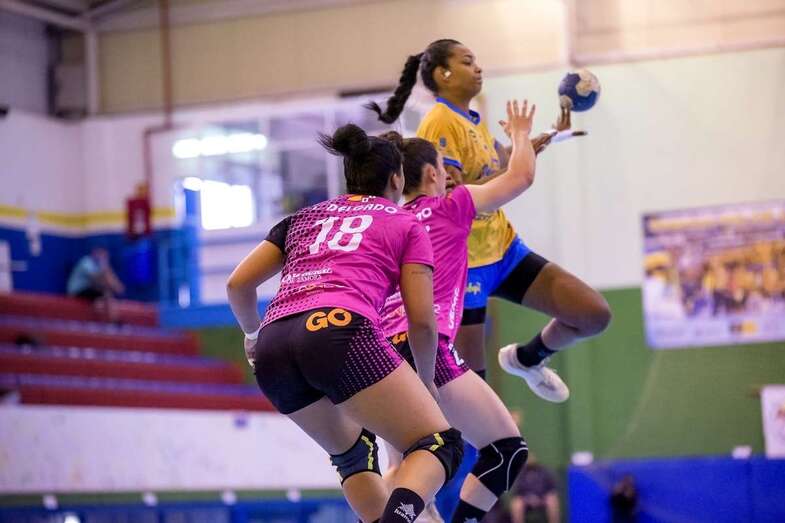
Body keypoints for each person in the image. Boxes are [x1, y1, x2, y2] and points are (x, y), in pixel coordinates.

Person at [227, 124, 464, 523]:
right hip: (339, 330)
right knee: (440, 444)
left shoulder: (302, 218)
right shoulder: (404, 222)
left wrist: (253, 334)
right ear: (397, 179)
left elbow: (238, 285)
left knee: (353, 455)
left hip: (273, 346)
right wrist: (426, 381)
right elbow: (423, 321)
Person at [368, 38, 611, 402]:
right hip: (465, 266)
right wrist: (519, 145)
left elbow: (502, 163)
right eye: (467, 61)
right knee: (472, 388)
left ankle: (527, 359)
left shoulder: (473, 119)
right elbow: (453, 197)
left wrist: (543, 137)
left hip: (503, 248)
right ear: (443, 74)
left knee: (592, 314)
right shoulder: (440, 122)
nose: (478, 67)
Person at [378, 98, 536, 523]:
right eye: (444, 169)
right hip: (424, 349)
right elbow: (520, 176)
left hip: (377, 356)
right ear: (434, 174)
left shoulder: (389, 222)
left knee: (404, 471)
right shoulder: (451, 205)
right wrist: (521, 135)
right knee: (506, 451)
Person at [67, 246, 125, 322]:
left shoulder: (98, 266)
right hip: (77, 290)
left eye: (104, 255)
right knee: (105, 294)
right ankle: (112, 320)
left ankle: (110, 320)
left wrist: (114, 284)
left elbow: (118, 288)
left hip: (88, 290)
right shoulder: (86, 262)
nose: (102, 256)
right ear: (95, 253)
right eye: (101, 254)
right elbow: (97, 279)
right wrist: (105, 266)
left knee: (102, 299)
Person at [508, 458, 560, 523]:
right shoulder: (521, 474)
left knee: (552, 500)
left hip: (542, 498)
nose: (530, 460)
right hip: (526, 500)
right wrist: (528, 498)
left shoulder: (544, 472)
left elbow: (551, 488)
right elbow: (517, 491)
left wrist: (540, 498)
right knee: (516, 503)